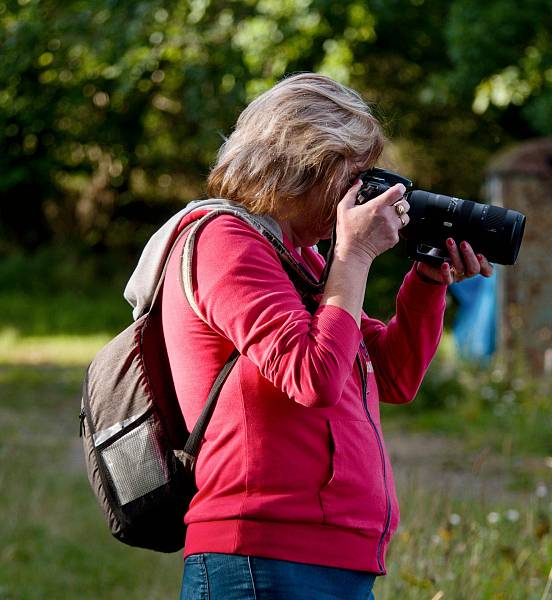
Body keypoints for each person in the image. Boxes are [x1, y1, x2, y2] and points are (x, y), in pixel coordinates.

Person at [161, 72, 493, 599]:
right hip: (263, 553)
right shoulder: (223, 241)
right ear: (301, 165)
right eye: (352, 175)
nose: (363, 193)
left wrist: (430, 275)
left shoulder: (303, 257)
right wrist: (354, 255)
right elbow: (311, 377)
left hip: (335, 554)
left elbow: (392, 374)